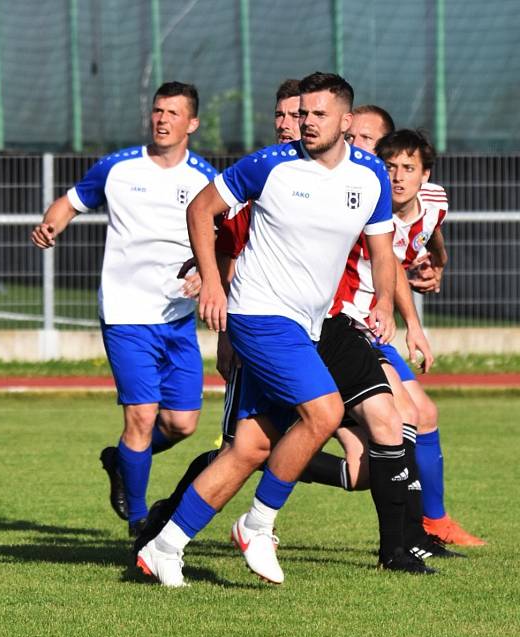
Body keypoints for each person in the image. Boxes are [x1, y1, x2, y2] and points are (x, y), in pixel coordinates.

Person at [137, 72, 398, 587]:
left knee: (251, 448)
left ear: (346, 121)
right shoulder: (270, 165)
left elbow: (381, 248)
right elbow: (201, 209)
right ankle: (257, 526)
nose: (305, 124)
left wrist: (386, 302)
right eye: (302, 115)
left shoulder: (370, 175)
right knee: (323, 413)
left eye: (318, 115)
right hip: (259, 312)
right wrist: (212, 285)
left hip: (309, 324)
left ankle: (163, 547)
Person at [31, 82, 216, 536]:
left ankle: (121, 461)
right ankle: (138, 521)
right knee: (141, 416)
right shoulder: (117, 167)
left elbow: (223, 234)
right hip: (125, 314)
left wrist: (208, 273)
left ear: (191, 123)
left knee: (181, 423)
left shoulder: (203, 178)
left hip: (177, 316)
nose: (162, 119)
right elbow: (72, 201)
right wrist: (50, 226)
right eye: (157, 111)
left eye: (173, 113)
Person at [375, 129, 484, 546]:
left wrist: (437, 261)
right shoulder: (371, 209)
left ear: (425, 175)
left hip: (378, 329)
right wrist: (413, 325)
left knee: (423, 415)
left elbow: (430, 231)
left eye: (408, 168)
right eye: (391, 168)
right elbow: (389, 265)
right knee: (402, 421)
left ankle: (432, 524)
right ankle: (409, 534)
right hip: (354, 325)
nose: (398, 177)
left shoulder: (435, 199)